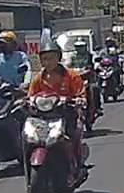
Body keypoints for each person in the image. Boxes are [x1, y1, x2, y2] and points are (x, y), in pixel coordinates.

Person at [27, 40, 88, 177]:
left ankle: (77, 165)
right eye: (44, 59)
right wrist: (26, 102)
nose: (48, 62)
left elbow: (81, 94)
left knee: (73, 135)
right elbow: (30, 95)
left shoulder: (71, 75)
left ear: (58, 58)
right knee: (29, 137)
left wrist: (79, 100)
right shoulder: (38, 78)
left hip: (67, 114)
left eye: (51, 58)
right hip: (43, 118)